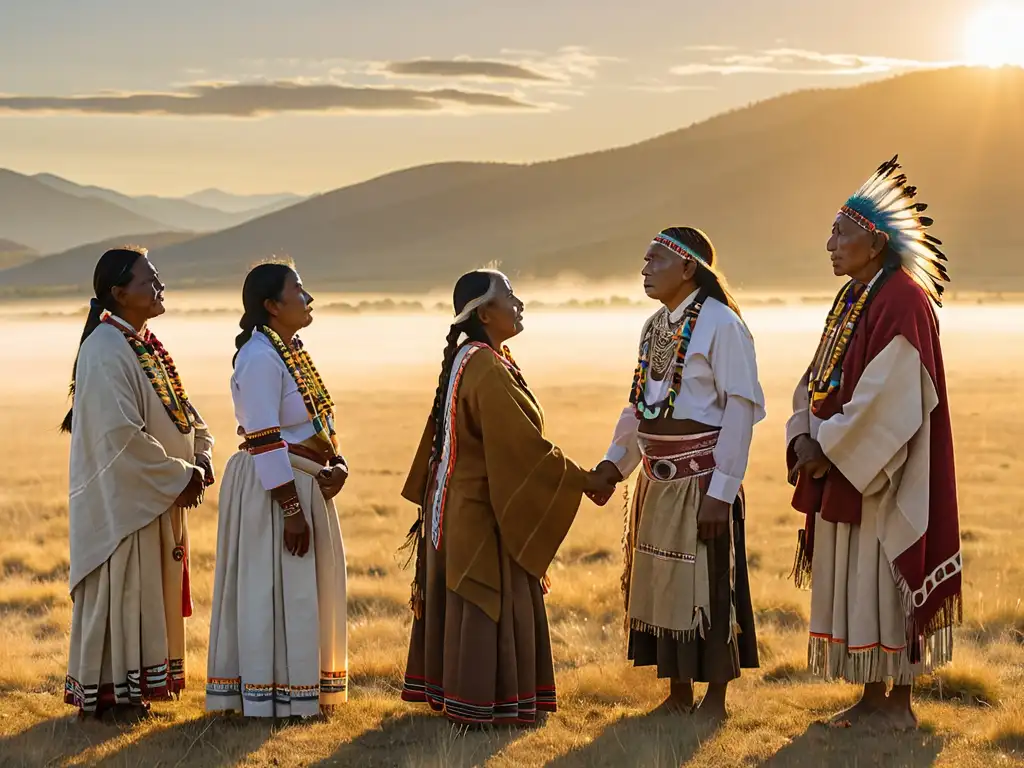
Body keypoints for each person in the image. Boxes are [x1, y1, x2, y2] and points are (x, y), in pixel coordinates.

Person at [786, 155, 960, 730]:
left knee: (884, 573)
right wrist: (803, 435)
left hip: (883, 471)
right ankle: (870, 697)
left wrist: (826, 445)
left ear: (876, 240)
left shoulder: (902, 300)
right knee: (859, 579)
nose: (830, 243)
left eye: (842, 232)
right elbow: (819, 377)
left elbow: (892, 397)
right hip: (845, 463)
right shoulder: (853, 298)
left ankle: (898, 706)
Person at [398, 269, 615, 726]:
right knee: (485, 599)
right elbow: (524, 450)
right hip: (481, 510)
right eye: (510, 296)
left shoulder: (472, 358)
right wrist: (584, 480)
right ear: (485, 312)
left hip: (461, 505)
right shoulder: (484, 366)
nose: (519, 304)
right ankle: (482, 705)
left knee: (471, 602)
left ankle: (464, 699)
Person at [592, 227, 764, 722]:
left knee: (707, 586)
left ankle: (716, 699)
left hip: (703, 477)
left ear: (688, 267)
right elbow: (639, 407)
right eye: (643, 261)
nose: (644, 269)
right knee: (663, 582)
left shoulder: (722, 325)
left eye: (655, 260)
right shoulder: (653, 328)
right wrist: (614, 465)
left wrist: (722, 491)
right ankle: (678, 691)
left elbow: (741, 408)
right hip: (656, 477)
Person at [61, 246, 215, 720]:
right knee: (124, 592)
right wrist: (179, 475)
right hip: (125, 504)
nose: (159, 286)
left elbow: (184, 414)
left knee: (145, 593)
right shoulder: (106, 348)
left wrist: (202, 454)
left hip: (155, 496)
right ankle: (112, 696)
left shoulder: (145, 345)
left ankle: (134, 692)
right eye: (149, 280)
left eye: (158, 277)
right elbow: (121, 436)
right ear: (118, 292)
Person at [206, 261, 349, 719]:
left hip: (303, 484)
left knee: (302, 589)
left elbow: (316, 421)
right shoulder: (259, 356)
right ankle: (269, 697)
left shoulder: (289, 351)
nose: (308, 299)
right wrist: (291, 508)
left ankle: (297, 691)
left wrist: (337, 462)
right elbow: (264, 436)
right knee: (271, 590)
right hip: (273, 489)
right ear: (271, 306)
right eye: (299, 291)